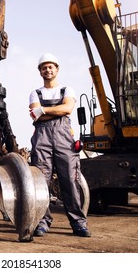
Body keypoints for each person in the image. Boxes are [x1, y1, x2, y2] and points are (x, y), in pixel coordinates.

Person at [29, 53, 91, 237]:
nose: (47, 70)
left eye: (51, 67)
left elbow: (67, 109)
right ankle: (42, 222)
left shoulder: (67, 90)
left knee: (70, 181)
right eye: (44, 67)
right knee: (41, 182)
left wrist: (44, 110)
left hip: (64, 138)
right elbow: (34, 114)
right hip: (42, 139)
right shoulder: (35, 92)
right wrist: (55, 112)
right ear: (40, 71)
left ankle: (78, 223)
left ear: (57, 69)